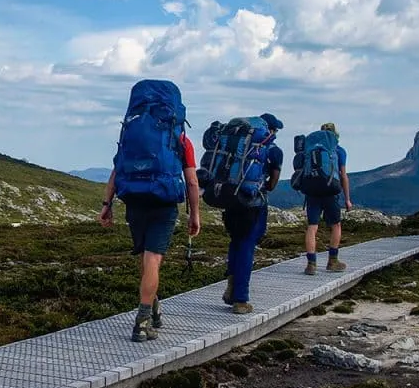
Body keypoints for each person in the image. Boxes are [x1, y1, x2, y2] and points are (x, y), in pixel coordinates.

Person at [99, 81, 202, 342]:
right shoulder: (180, 139)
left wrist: (106, 205)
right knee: (153, 259)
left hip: (133, 199)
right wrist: (195, 214)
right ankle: (143, 322)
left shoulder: (131, 131)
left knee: (146, 258)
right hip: (164, 203)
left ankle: (153, 306)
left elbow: (117, 170)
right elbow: (191, 181)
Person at [220, 113, 284, 314]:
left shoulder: (238, 144)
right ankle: (241, 299)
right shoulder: (273, 151)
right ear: (270, 130)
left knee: (236, 241)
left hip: (230, 198)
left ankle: (231, 285)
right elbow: (272, 185)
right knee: (247, 245)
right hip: (253, 203)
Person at [302, 122, 352, 275]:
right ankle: (332, 261)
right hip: (331, 192)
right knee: (336, 225)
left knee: (312, 227)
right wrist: (347, 199)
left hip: (312, 192)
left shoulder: (310, 149)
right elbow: (343, 176)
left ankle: (311, 264)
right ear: (334, 135)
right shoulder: (339, 151)